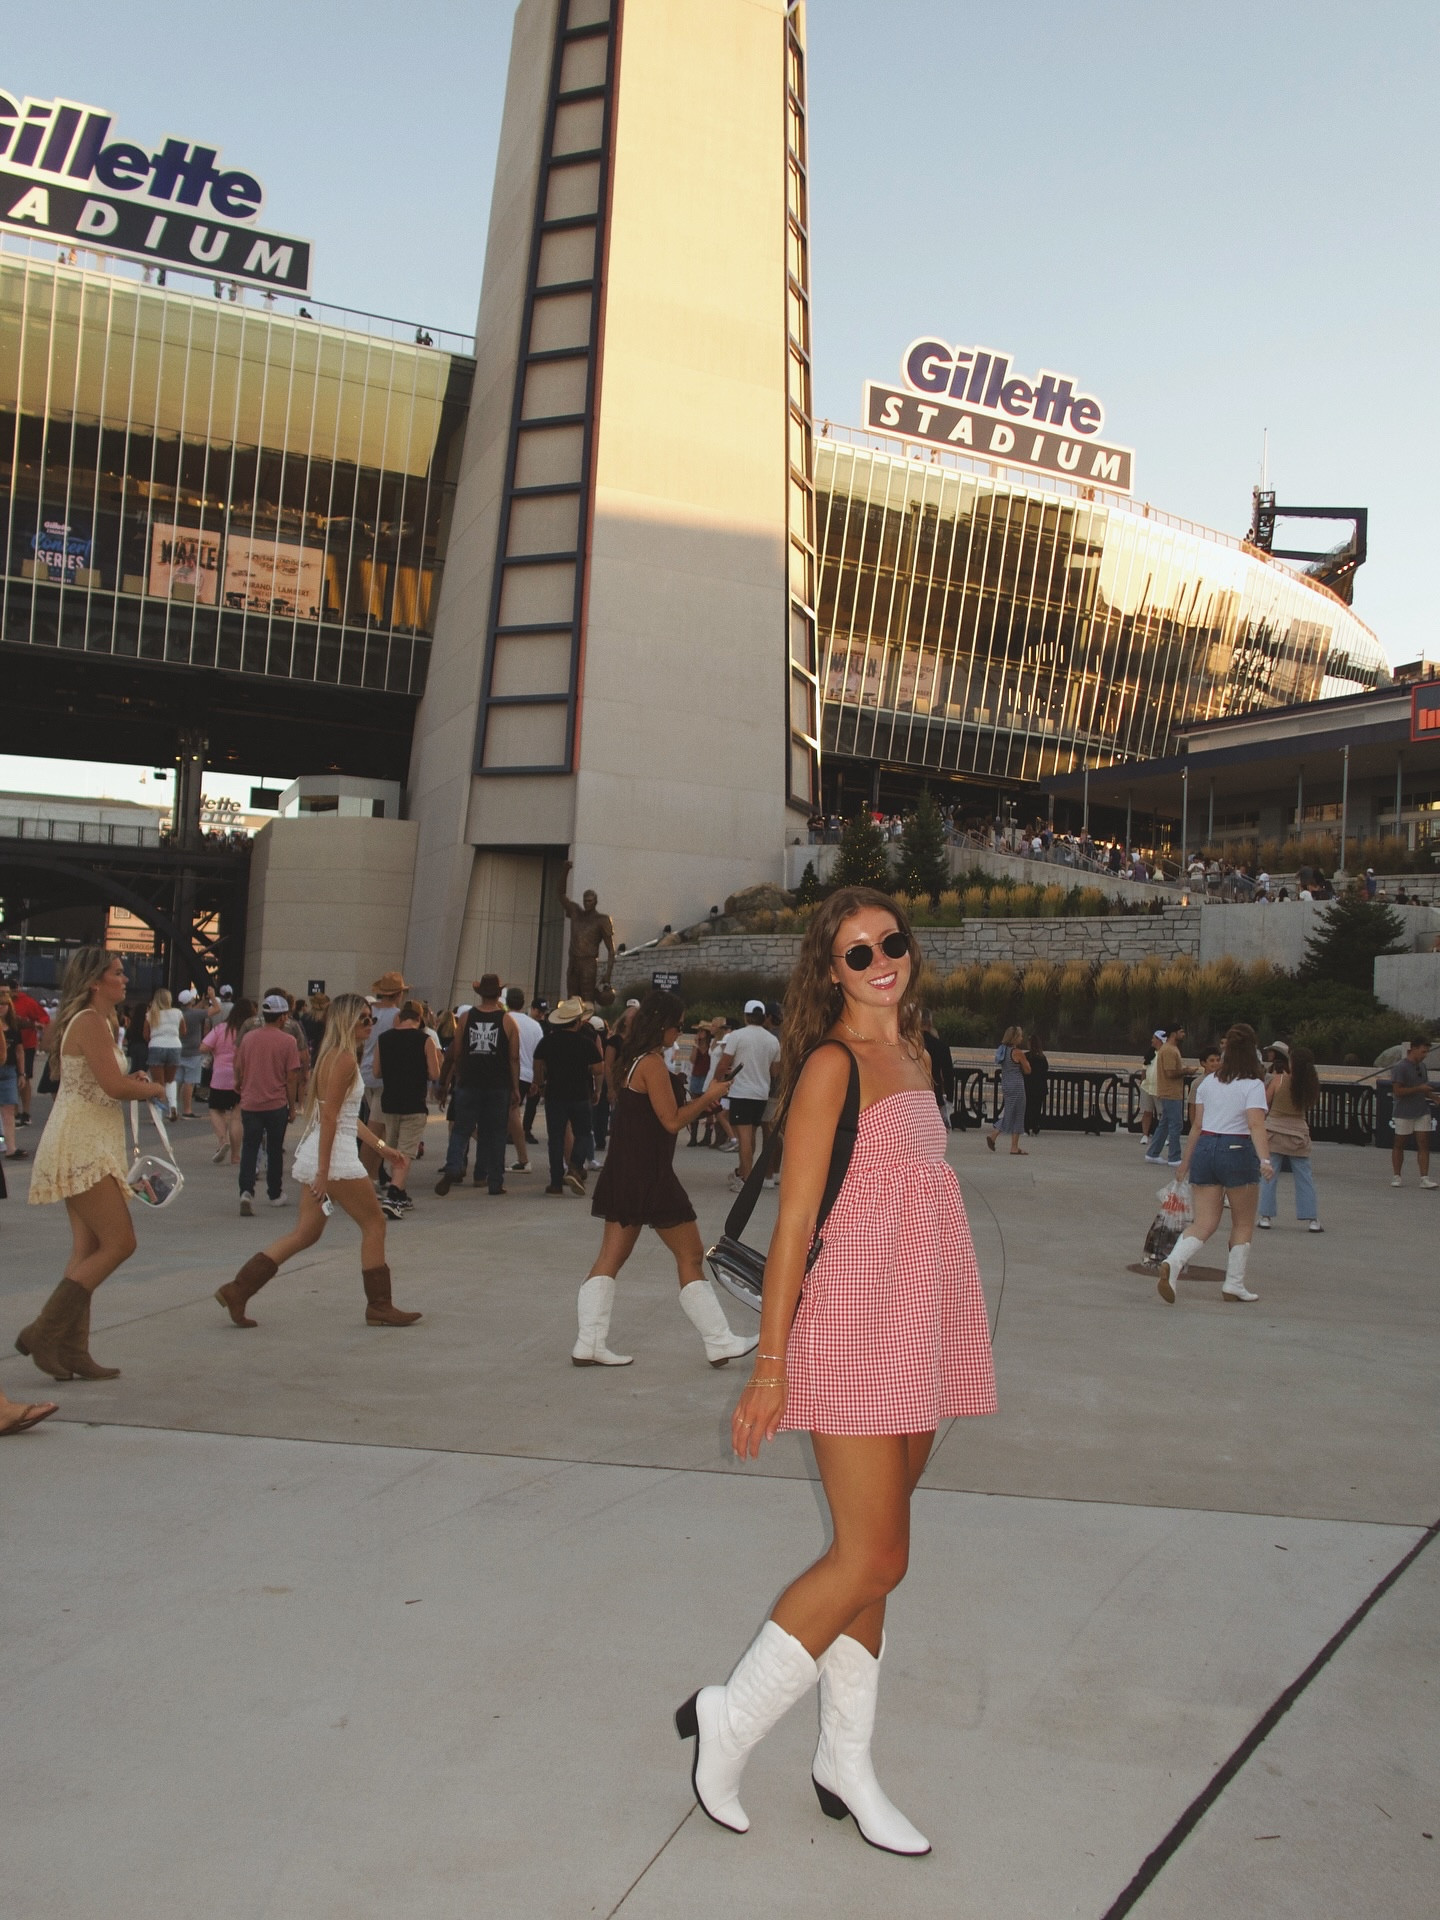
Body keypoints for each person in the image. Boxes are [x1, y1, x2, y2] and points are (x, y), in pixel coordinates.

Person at [676, 887, 994, 1853]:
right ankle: (729, 1722)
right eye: (857, 953)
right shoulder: (829, 1064)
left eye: (890, 942)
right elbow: (793, 1227)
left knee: (878, 1554)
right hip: (853, 1321)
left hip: (917, 1321)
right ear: (830, 970)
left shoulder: (917, 1053)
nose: (880, 962)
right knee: (873, 1556)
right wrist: (771, 1367)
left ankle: (845, 1763)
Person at [216, 994, 420, 1329]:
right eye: (363, 1018)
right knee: (374, 1224)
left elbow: (344, 1116)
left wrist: (381, 1147)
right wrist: (324, 1172)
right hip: (334, 1158)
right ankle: (380, 1306)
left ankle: (238, 1289)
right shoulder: (343, 1059)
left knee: (306, 1233)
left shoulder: (334, 1056)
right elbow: (329, 1118)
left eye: (371, 1018)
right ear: (345, 1021)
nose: (370, 1024)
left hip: (323, 1154)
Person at [572, 989, 751, 1368]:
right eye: (677, 1025)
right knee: (690, 1255)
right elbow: (671, 1121)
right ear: (663, 1025)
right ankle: (719, 1341)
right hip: (650, 1175)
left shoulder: (634, 1061)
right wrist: (710, 1095)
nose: (679, 1031)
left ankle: (589, 1342)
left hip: (627, 1172)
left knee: (609, 1258)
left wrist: (703, 1103)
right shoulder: (652, 1064)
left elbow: (659, 1117)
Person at [16, 948, 168, 1381]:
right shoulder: (88, 1021)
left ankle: (73, 1349)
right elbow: (112, 1087)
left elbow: (105, 1082)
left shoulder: (99, 1021)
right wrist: (153, 1089)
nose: (125, 979)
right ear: (94, 982)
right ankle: (43, 1332)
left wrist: (131, 1081)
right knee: (120, 1243)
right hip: (82, 1144)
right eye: (118, 973)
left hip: (87, 1138)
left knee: (88, 1249)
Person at [1157, 1023, 1274, 1306]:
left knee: (1204, 1222)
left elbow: (1197, 1126)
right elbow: (1255, 1124)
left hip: (1206, 1148)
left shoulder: (1209, 1082)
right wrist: (1265, 1159)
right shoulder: (1253, 1085)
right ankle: (1234, 1283)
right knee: (1242, 1223)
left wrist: (1184, 1163)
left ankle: (1173, 1262)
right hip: (1237, 1149)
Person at [435, 974, 519, 1196]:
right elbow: (513, 1057)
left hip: (470, 1082)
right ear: (498, 994)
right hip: (498, 1084)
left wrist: (454, 1077)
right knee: (495, 1133)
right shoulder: (508, 1021)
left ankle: (453, 1167)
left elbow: (457, 1052)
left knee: (461, 1129)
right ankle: (493, 1180)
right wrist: (515, 1087)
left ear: (480, 994)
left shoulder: (465, 1017)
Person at [234, 994, 302, 1216]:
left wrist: (239, 1084)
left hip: (251, 1102)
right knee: (274, 1149)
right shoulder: (288, 1041)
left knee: (249, 1147)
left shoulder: (249, 1038)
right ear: (282, 1017)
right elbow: (291, 1078)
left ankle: (246, 1191)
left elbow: (240, 1067)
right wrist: (292, 1106)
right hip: (276, 1103)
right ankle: (274, 1193)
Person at [531, 998, 602, 1195]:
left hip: (555, 1094)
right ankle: (575, 1167)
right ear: (577, 1022)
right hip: (580, 1095)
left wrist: (540, 1084)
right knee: (583, 1133)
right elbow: (599, 1069)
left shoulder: (548, 1041)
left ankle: (555, 1182)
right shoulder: (586, 1043)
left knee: (555, 1138)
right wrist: (596, 1089)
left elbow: (537, 1064)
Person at [376, 1000, 439, 1216]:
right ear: (419, 1019)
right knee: (406, 1152)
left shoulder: (383, 1039)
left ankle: (401, 1192)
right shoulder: (425, 1040)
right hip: (414, 1102)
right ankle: (394, 1194)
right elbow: (434, 1073)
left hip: (390, 1101)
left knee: (394, 1150)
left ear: (400, 1017)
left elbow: (376, 1072)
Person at [715, 1000, 782, 1192]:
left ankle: (746, 1179)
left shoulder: (738, 1036)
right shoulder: (772, 1040)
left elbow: (724, 1063)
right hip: (761, 1094)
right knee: (751, 1135)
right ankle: (744, 1171)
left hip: (742, 1092)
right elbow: (775, 1071)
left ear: (746, 1016)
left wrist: (715, 1083)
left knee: (744, 1137)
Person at [1257, 1043, 1323, 1232]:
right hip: (1298, 1133)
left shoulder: (1278, 1080)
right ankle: (1312, 1218)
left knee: (1269, 1176)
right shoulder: (1310, 1085)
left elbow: (1264, 1102)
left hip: (1274, 1132)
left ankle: (1265, 1216)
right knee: (1304, 1177)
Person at [201, 997, 251, 1166]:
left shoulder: (221, 1028)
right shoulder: (249, 1032)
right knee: (237, 1117)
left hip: (220, 1076)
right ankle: (236, 1156)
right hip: (242, 1076)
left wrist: (217, 1051)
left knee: (216, 1109)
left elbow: (203, 1047)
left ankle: (223, 1140)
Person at [1389, 1036, 1439, 1188]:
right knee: (1400, 1142)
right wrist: (1419, 1089)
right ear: (1414, 1049)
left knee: (1423, 1142)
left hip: (1421, 1110)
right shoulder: (1400, 1067)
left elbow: (1424, 1087)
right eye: (1423, 1051)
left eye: (1427, 1052)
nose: (1425, 1055)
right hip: (1404, 1111)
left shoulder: (1422, 1067)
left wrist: (1434, 1097)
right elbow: (1398, 1091)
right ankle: (1397, 1175)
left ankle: (1424, 1177)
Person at [505, 987, 543, 1174]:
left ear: (507, 1002)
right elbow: (539, 1055)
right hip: (526, 1074)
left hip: (507, 1072)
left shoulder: (504, 1020)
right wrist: (537, 1080)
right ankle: (522, 1158)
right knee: (513, 1115)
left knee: (503, 1115)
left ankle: (517, 1158)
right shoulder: (534, 1026)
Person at [1146, 1025, 1186, 1166]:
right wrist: (1186, 1071)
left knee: (1164, 1124)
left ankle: (1153, 1153)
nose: (1184, 1034)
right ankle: (1174, 1157)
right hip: (1170, 1092)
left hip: (1170, 1092)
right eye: (1181, 1031)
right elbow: (1170, 1073)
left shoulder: (1170, 1048)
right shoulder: (1169, 1050)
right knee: (1176, 1124)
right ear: (1173, 1034)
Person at [985, 1025, 1029, 1154]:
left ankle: (1013, 1146)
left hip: (1006, 1083)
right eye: (1020, 1036)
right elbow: (1028, 1070)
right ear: (1015, 1038)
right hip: (1017, 1085)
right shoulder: (1017, 1053)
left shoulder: (1003, 1051)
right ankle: (996, 1136)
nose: (1022, 1038)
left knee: (1010, 1111)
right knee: (1017, 1113)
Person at [11, 982, 49, 1128]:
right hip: (8, 1046)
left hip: (27, 1046)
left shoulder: (28, 1002)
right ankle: (14, 1113)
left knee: (24, 1079)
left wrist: (38, 1025)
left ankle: (25, 1113)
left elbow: (44, 1017)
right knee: (11, 1079)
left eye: (14, 990)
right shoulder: (4, 1003)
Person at [145, 988, 184, 1119]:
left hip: (156, 1046)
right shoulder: (177, 1013)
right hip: (174, 1046)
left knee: (158, 1082)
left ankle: (158, 1114)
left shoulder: (151, 1014)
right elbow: (183, 1031)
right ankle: (173, 1106)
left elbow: (145, 1034)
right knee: (170, 1080)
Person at [0, 986, 26, 1161]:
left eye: (4, 1004)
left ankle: (11, 1147)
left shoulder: (13, 1028)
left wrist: (22, 1073)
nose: (1, 1007)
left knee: (9, 1109)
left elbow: (19, 1051)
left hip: (9, 1071)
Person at [175, 988, 209, 1117]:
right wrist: (211, 997)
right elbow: (216, 1010)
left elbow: (193, 1009)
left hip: (180, 1050)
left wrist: (202, 1002)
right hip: (193, 1052)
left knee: (177, 1081)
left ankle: (173, 1107)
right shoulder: (196, 1014)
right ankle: (187, 1110)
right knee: (189, 1082)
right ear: (191, 1001)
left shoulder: (178, 1014)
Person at [920, 1009, 954, 1121]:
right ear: (930, 1022)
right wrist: (949, 1098)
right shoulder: (941, 1046)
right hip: (934, 1093)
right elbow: (948, 1074)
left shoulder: (909, 1044)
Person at [1137, 1036, 1161, 1149]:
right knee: (1147, 1112)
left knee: (1162, 1114)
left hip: (1159, 1089)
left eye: (1154, 1039)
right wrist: (1143, 1082)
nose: (1152, 1041)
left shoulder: (1164, 1054)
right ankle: (1145, 1135)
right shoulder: (1150, 1054)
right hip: (1147, 1088)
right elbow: (1144, 1069)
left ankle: (1163, 1136)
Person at [1024, 1032, 1050, 1136]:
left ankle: (1026, 1127)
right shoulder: (1042, 1058)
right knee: (1037, 1108)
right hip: (1040, 1087)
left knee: (1027, 1107)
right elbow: (1045, 1069)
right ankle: (1035, 1126)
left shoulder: (1026, 1056)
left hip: (1029, 1086)